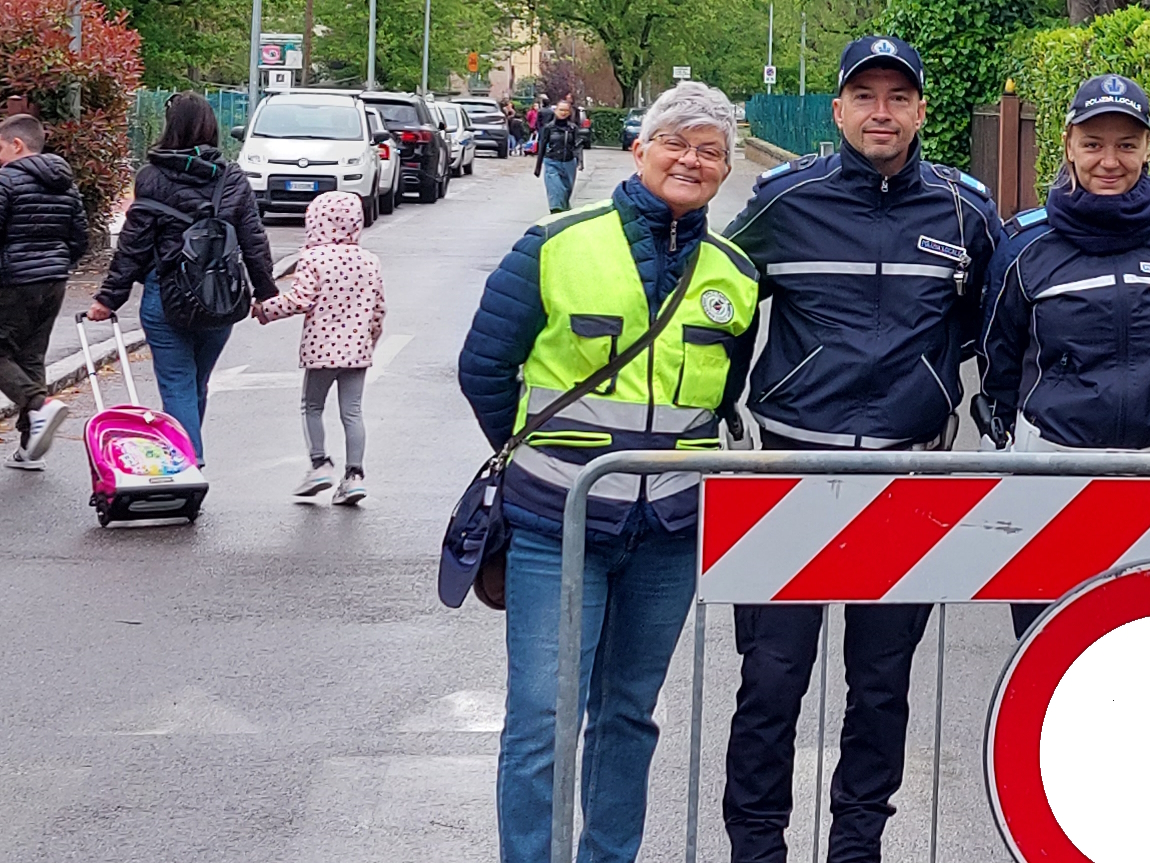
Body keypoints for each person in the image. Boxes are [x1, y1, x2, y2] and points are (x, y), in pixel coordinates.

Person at [458, 80, 759, 863]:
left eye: (710, 151)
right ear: (640, 149)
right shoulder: (556, 243)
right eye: (676, 143)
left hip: (667, 534)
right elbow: (485, 366)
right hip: (557, 526)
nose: (690, 161)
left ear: (725, 170)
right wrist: (543, 457)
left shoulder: (736, 274)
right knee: (542, 718)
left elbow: (723, 399)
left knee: (630, 713)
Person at [720, 36, 1000, 863]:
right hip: (789, 472)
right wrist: (722, 409)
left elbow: (997, 323)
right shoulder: (783, 200)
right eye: (865, 97)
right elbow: (721, 306)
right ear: (838, 110)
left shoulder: (964, 210)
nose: (882, 113)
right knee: (771, 681)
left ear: (920, 111)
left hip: (907, 472)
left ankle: (856, 846)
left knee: (881, 688)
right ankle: (757, 847)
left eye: (898, 97)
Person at [977, 74, 1150, 638]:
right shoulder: (1027, 247)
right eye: (1094, 143)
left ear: (1146, 149)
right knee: (1050, 646)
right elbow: (999, 360)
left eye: (1127, 144)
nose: (1110, 160)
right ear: (1069, 144)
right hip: (1054, 470)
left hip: (1144, 475)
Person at [90, 92, 277, 467]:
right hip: (221, 296)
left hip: (167, 296)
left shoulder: (152, 177)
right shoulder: (231, 177)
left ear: (169, 127)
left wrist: (109, 298)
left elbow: (134, 245)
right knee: (195, 384)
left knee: (177, 384)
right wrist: (265, 291)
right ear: (211, 126)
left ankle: (188, 462)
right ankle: (189, 453)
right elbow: (253, 239)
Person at [255, 191, 386, 505]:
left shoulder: (313, 258)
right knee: (352, 413)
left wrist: (265, 310)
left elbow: (299, 300)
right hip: (357, 352)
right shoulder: (370, 261)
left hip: (321, 350)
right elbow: (379, 310)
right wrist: (370, 341)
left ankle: (320, 465)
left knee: (312, 407)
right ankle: (354, 476)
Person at [0, 114, 88, 470]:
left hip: (12, 282)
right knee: (31, 357)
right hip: (54, 281)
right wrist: (58, 263)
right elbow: (79, 236)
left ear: (17, 145)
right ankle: (29, 448)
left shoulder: (6, 180)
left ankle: (39, 406)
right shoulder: (65, 184)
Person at [534, 101, 585, 213]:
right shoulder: (549, 128)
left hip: (569, 162)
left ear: (569, 112)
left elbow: (578, 145)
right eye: (561, 110)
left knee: (566, 190)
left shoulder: (573, 128)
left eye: (566, 110)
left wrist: (580, 161)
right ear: (555, 111)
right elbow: (542, 146)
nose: (563, 113)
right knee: (556, 189)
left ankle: (563, 210)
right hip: (552, 161)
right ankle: (555, 210)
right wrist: (538, 167)